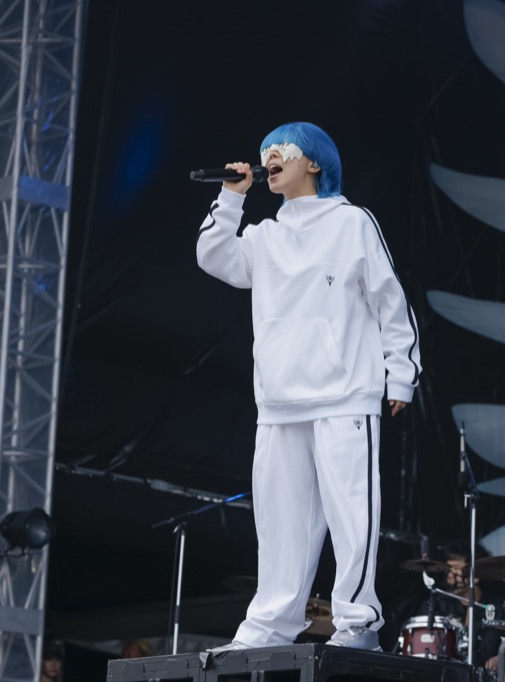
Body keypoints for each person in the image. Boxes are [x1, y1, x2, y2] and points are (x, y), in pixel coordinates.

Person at [196, 122, 421, 653]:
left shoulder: (352, 223)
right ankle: (268, 627)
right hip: (279, 402)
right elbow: (213, 256)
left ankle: (358, 623)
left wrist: (401, 374)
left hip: (344, 396)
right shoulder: (264, 236)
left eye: (282, 150)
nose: (269, 157)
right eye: (265, 152)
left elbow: (390, 300)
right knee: (280, 524)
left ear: (314, 163)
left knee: (352, 516)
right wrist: (231, 198)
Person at [410, 541, 502, 671]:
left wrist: (502, 658)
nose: (450, 574)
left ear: (476, 576)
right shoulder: (437, 604)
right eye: (449, 568)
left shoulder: (497, 608)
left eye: (456, 568)